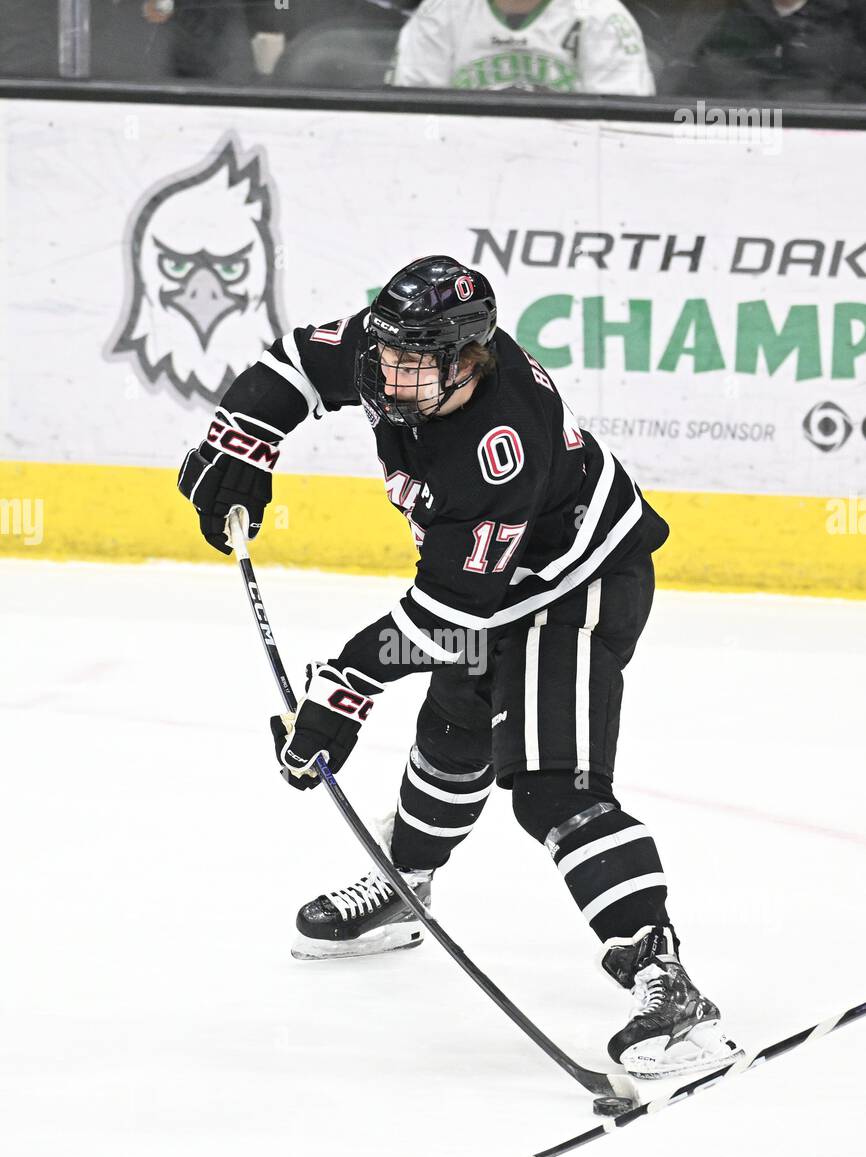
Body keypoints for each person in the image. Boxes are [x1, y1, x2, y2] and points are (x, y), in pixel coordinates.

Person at [177, 255, 739, 1081]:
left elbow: (449, 615)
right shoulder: (391, 349)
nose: (389, 377)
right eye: (386, 355)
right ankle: (408, 888)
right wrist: (241, 445)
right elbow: (293, 362)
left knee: (552, 786)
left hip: (575, 587)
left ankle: (665, 981)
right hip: (484, 592)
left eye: (414, 364)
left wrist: (346, 685)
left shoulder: (497, 447)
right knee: (448, 742)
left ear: (470, 361)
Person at [389, 0, 655, 95]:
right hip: (461, 177)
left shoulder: (602, 16)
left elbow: (623, 138)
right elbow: (408, 128)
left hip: (574, 182)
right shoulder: (439, 13)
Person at [668, 0, 866, 103]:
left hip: (830, 139)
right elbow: (691, 85)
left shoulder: (850, 16)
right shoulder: (730, 15)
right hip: (737, 132)